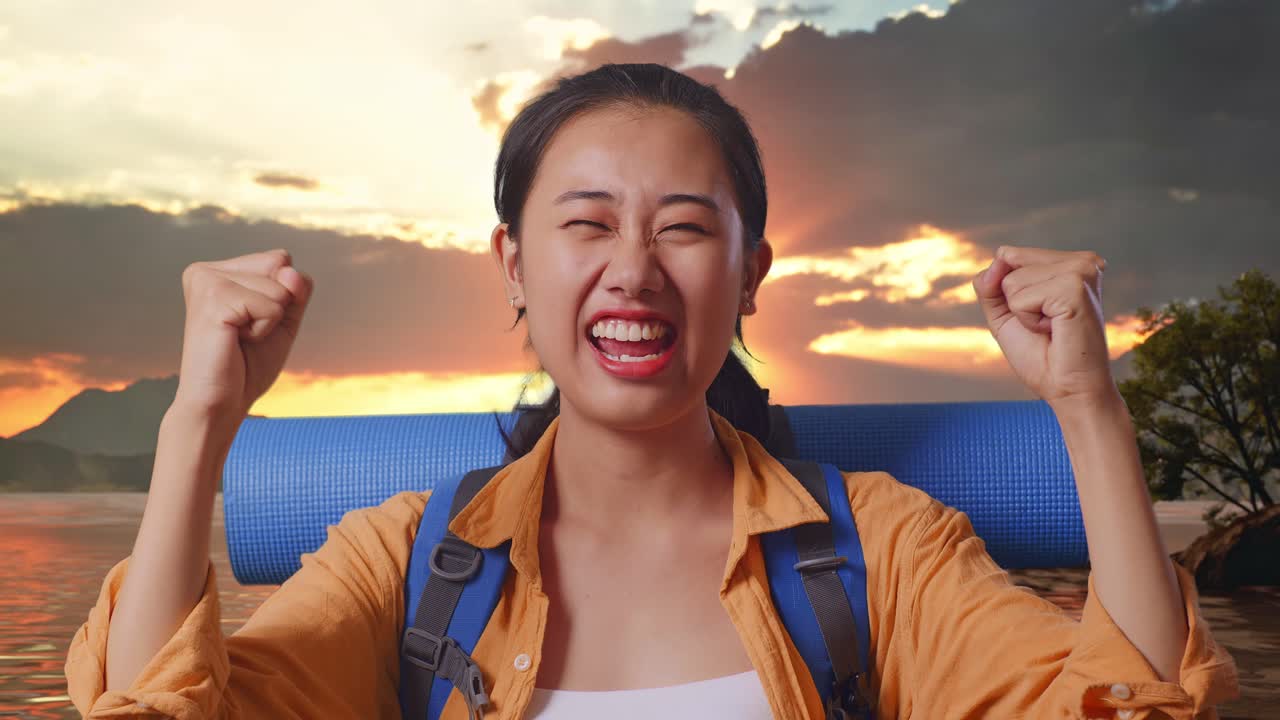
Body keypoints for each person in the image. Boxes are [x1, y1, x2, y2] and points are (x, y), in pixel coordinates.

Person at [66, 62, 1239, 719]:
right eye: (585, 224)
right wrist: (198, 423)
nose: (632, 270)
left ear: (748, 275)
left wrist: (1088, 409)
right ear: (513, 266)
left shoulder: (879, 554)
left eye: (682, 227)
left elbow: (1130, 708)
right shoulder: (407, 567)